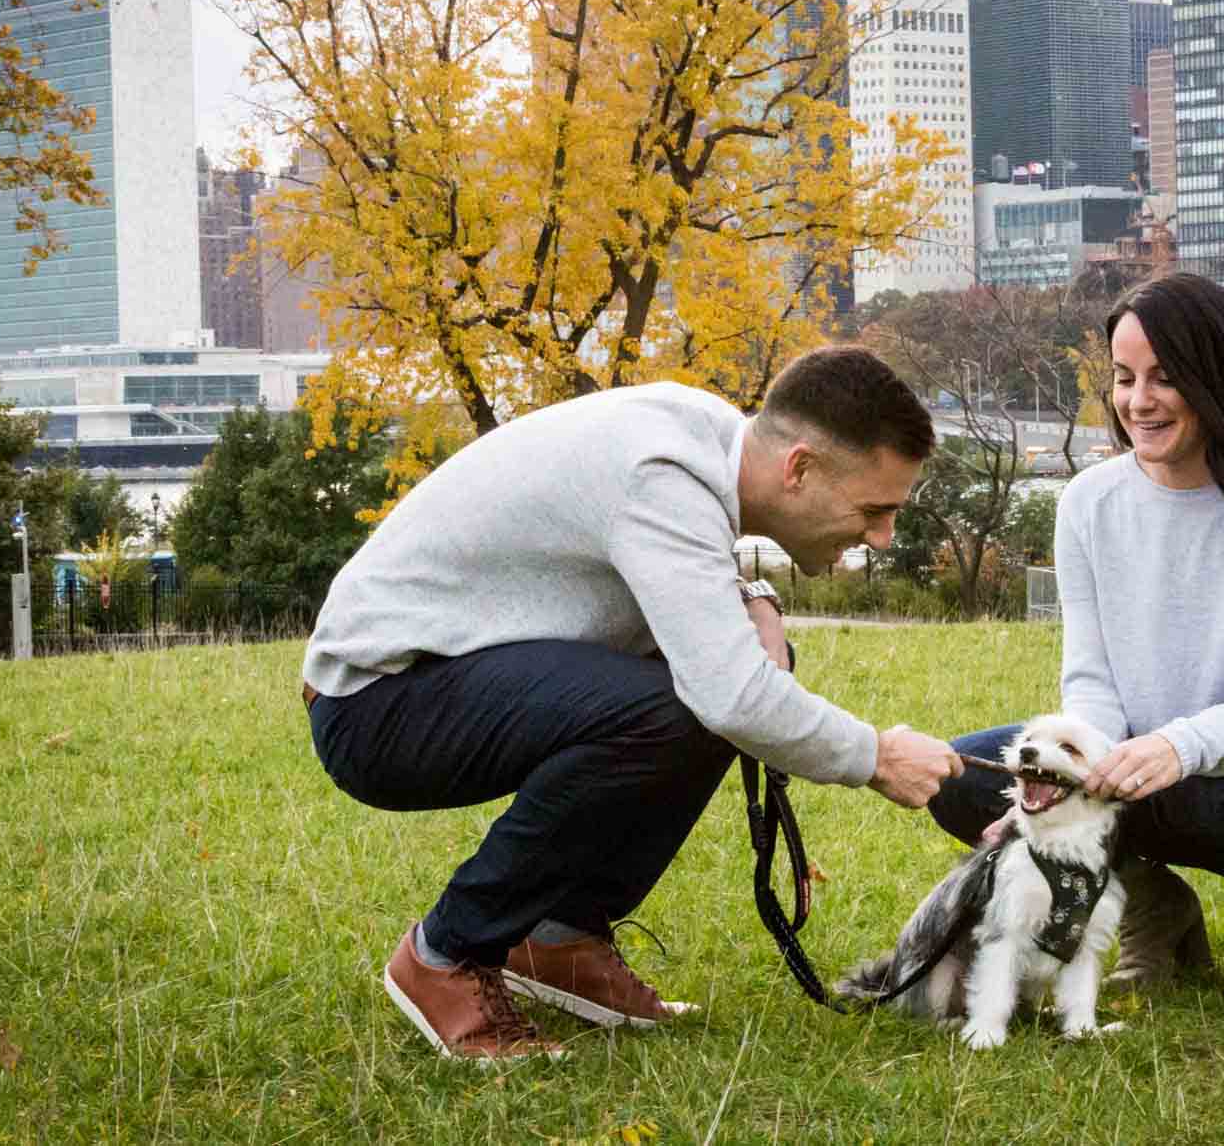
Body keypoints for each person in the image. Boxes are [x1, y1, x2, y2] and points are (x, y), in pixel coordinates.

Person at [302, 346, 965, 1061]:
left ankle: (560, 935)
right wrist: (878, 755)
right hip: (376, 702)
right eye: (875, 510)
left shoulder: (710, 439)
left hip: (436, 676)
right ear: (798, 469)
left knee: (722, 682)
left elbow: (688, 591)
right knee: (700, 700)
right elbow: (730, 692)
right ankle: (448, 952)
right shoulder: (666, 473)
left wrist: (753, 598)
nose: (883, 536)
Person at [928, 273, 1224, 992]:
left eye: (1164, 377)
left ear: (1214, 378)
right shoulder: (1088, 503)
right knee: (962, 778)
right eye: (1123, 377)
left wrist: (1176, 747)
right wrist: (1071, 770)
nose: (1138, 401)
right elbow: (1091, 679)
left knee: (1189, 783)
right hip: (1145, 760)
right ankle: (1156, 903)